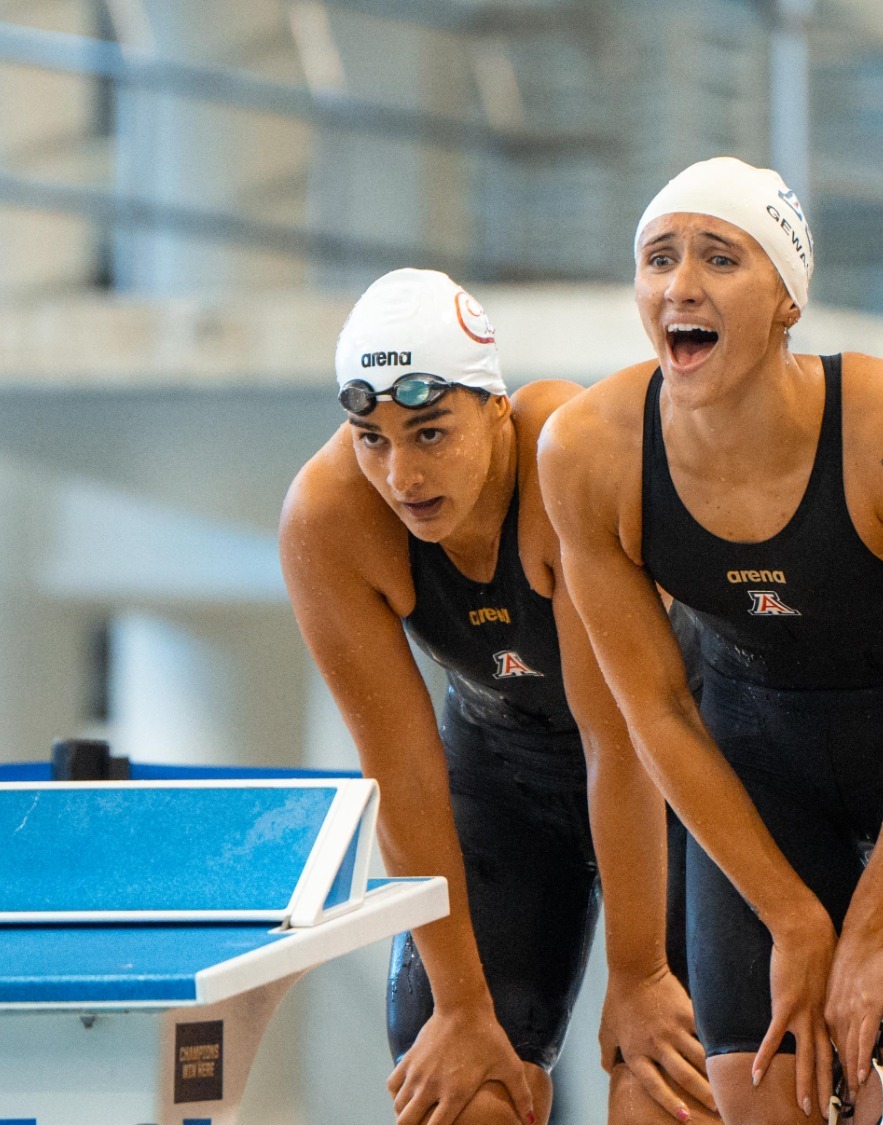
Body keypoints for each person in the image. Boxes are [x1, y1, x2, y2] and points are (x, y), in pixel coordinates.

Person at [539, 158, 883, 1125]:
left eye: (719, 258)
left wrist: (870, 931)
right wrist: (794, 915)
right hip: (756, 760)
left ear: (785, 301)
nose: (680, 284)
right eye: (658, 259)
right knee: (765, 1097)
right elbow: (655, 710)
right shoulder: (590, 454)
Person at [280, 269, 713, 1125]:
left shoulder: (565, 451)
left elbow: (617, 738)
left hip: (678, 771)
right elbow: (401, 771)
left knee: (661, 1087)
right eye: (373, 438)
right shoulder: (328, 519)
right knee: (461, 1095)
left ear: (494, 407)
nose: (402, 474)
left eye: (430, 431)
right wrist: (462, 1009)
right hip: (502, 775)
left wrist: (640, 974)